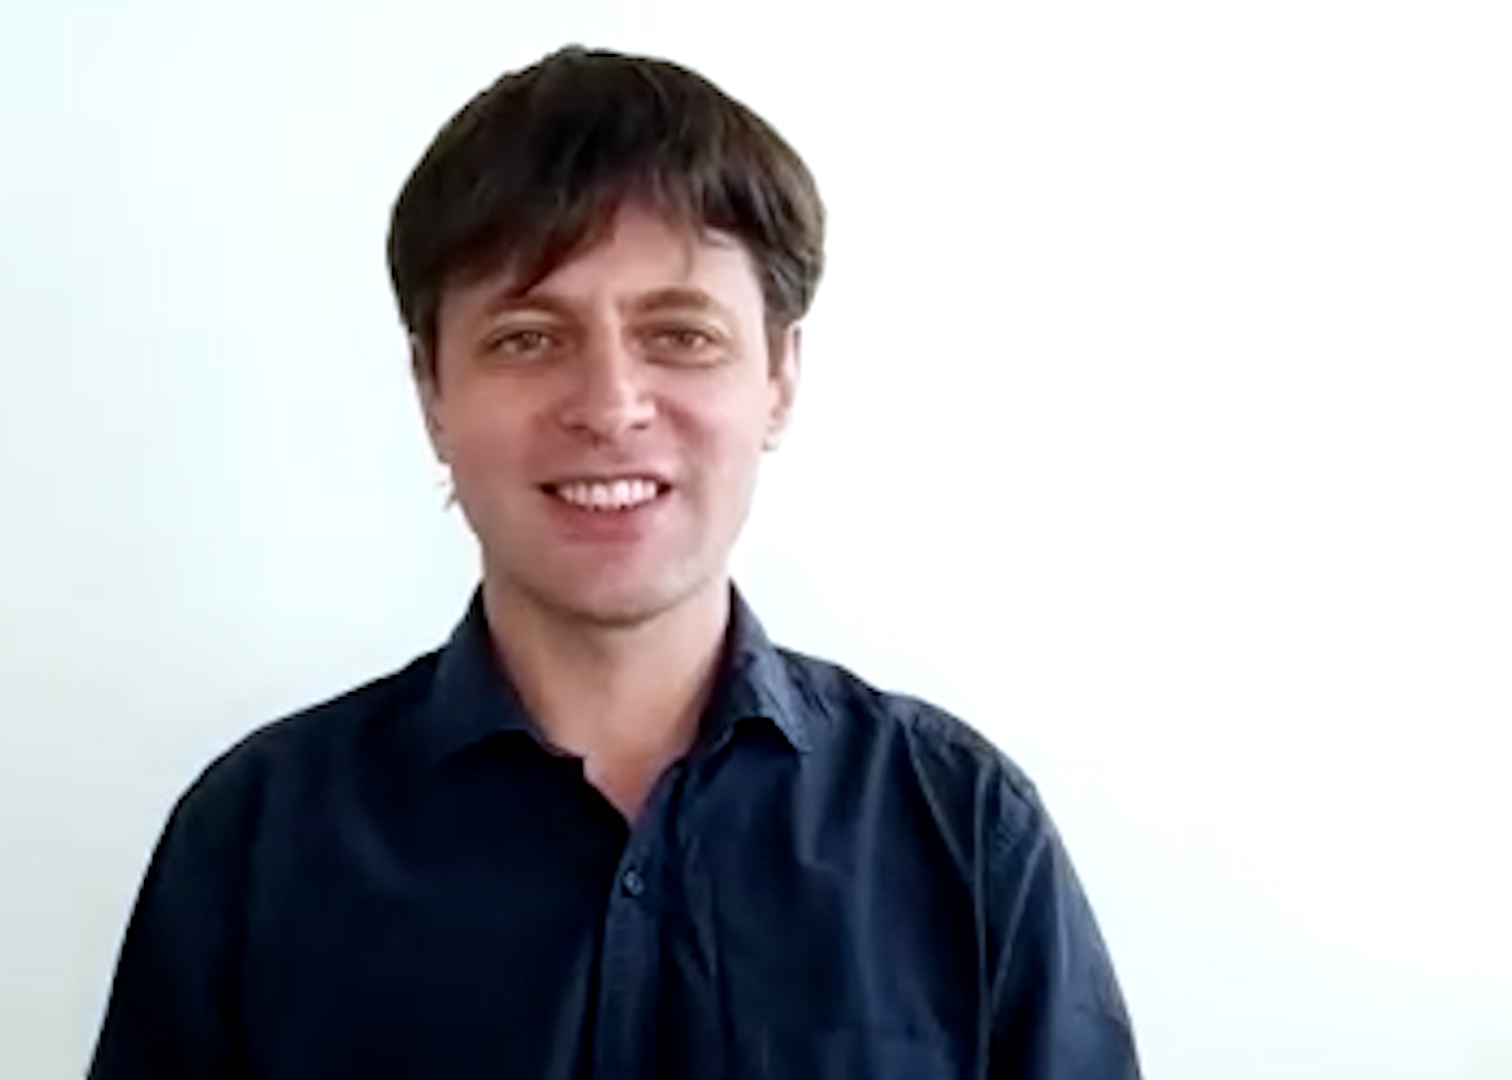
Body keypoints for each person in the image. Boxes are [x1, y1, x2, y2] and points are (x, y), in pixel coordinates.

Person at [88, 45, 1141, 1080]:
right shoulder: (256, 845)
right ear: (432, 393)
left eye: (680, 335)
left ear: (779, 378)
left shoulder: (963, 833)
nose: (609, 406)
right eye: (527, 338)